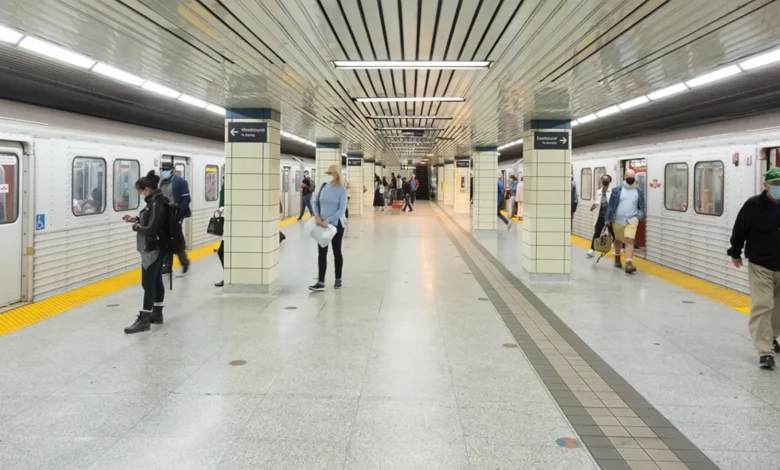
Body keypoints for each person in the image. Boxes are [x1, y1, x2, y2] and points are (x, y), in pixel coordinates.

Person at [728, 167, 780, 370]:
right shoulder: (753, 206)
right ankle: (765, 351)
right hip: (761, 264)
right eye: (775, 184)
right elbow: (739, 230)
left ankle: (772, 337)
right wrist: (735, 252)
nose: (778, 188)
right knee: (763, 305)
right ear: (765, 185)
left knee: (778, 308)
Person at [123, 170, 168, 334]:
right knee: (156, 281)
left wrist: (137, 227)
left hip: (152, 249)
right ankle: (157, 314)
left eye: (140, 191)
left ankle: (144, 320)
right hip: (158, 247)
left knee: (148, 283)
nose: (140, 194)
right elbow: (153, 221)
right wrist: (137, 219)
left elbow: (151, 228)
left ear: (147, 189)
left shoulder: (156, 204)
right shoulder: (157, 201)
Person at [309, 165, 348, 291]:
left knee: (337, 251)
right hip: (321, 224)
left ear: (336, 174)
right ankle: (321, 282)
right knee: (322, 253)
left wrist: (329, 220)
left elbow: (341, 210)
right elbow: (316, 203)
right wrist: (317, 216)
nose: (328, 175)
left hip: (336, 225)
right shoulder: (323, 187)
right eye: (327, 172)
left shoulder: (342, 190)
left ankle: (338, 279)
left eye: (330, 173)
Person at [604, 169, 645, 274]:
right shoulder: (617, 190)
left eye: (632, 177)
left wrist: (639, 216)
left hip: (632, 219)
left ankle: (628, 263)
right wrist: (607, 219)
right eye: (629, 177)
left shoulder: (638, 191)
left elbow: (641, 206)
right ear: (625, 177)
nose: (631, 179)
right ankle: (617, 257)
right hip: (618, 219)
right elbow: (611, 205)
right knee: (618, 240)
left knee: (629, 240)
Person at [159, 161, 192, 273]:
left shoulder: (181, 182)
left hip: (176, 214)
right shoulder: (162, 183)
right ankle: (167, 265)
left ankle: (184, 261)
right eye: (163, 170)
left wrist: (179, 214)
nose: (164, 172)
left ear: (172, 171)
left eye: (166, 170)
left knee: (175, 238)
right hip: (164, 215)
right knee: (166, 239)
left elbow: (186, 199)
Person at [586, 174, 614, 258]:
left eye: (607, 179)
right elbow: (596, 202)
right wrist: (593, 206)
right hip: (601, 216)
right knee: (597, 233)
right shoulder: (598, 192)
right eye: (603, 179)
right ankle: (592, 249)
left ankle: (617, 249)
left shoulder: (612, 191)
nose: (605, 180)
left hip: (610, 217)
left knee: (613, 233)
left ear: (609, 181)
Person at [215, 177, 225, 287]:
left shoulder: (227, 186)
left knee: (222, 252)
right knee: (222, 252)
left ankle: (228, 277)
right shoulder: (224, 186)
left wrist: (222, 209)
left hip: (231, 229)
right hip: (227, 226)